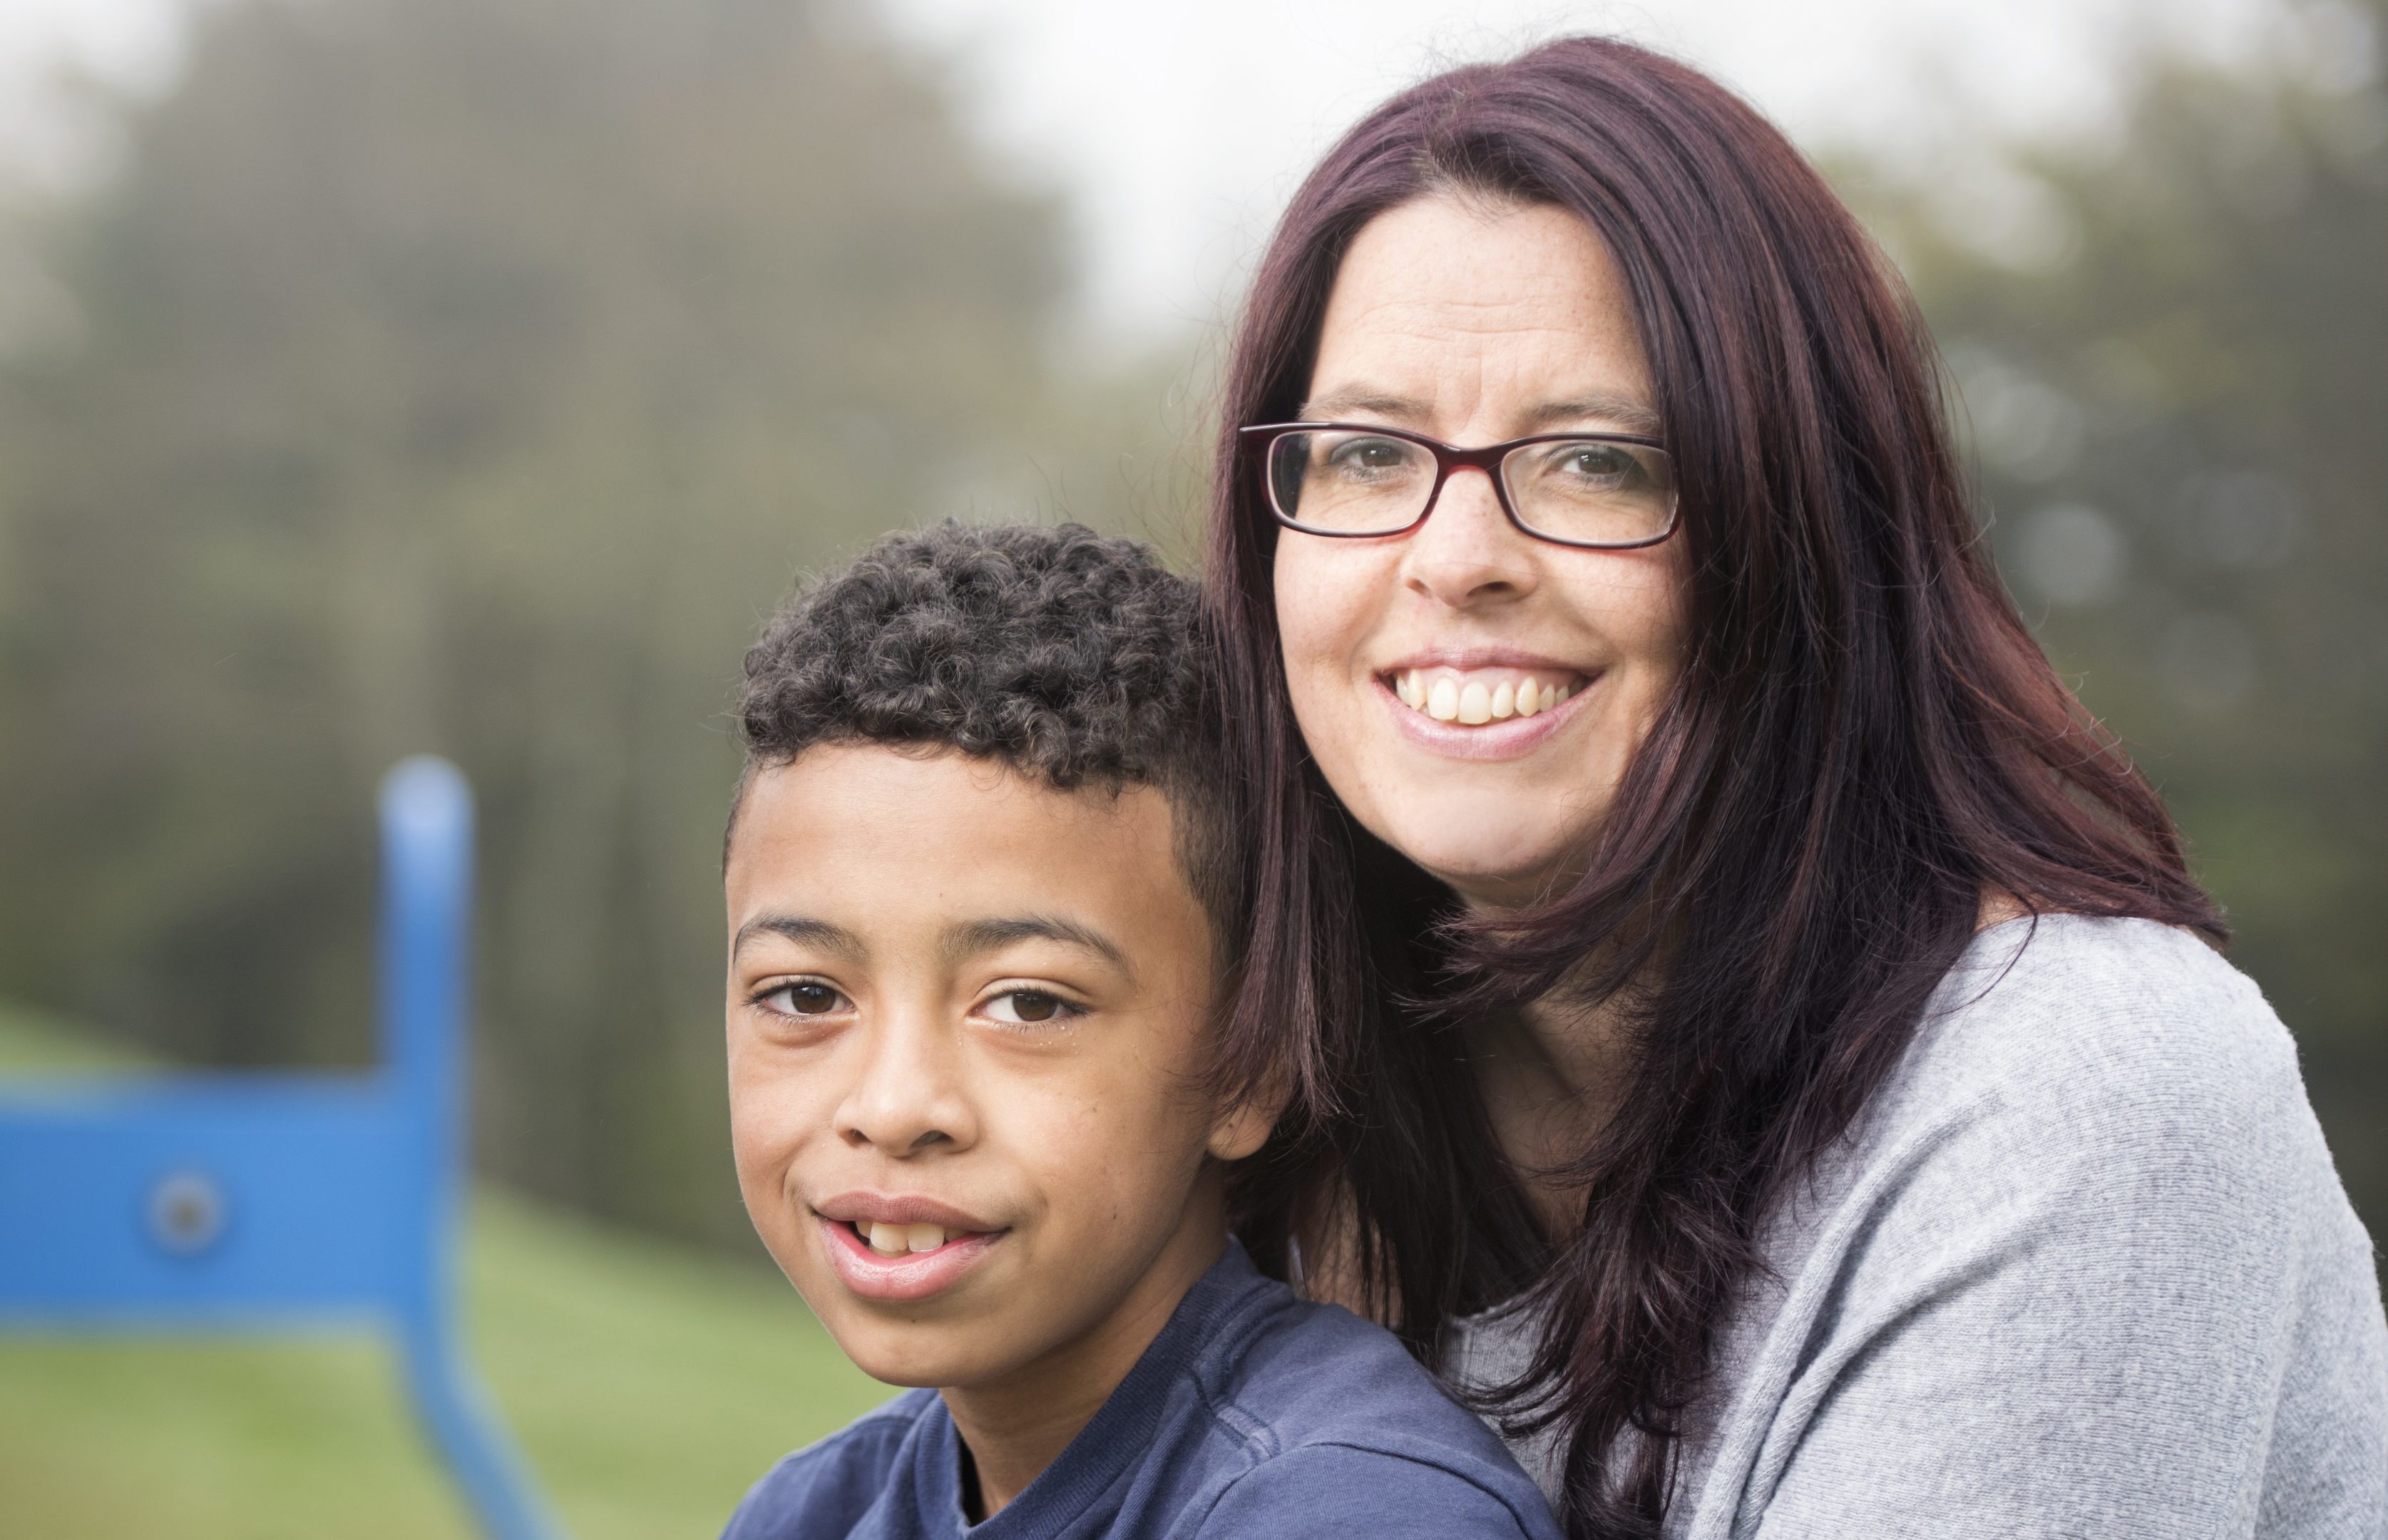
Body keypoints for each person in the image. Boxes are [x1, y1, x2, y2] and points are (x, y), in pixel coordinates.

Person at [1200, 36, 2388, 1539]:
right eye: (1366, 453)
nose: (1455, 556)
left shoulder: (2079, 1095)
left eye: (1597, 463)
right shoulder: (1244, 1090)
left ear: (1805, 527)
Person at [715, 521, 1561, 1539]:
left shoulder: (1356, 1510)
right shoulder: (813, 1513)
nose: (893, 1108)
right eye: (806, 996)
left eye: (1028, 1003)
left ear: (1247, 1064)